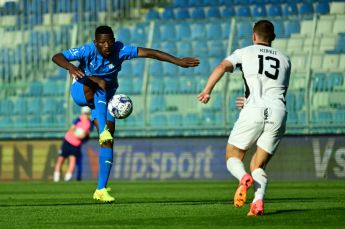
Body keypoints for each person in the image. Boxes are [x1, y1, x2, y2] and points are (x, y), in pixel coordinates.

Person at [52, 25, 200, 203]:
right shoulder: (87, 50)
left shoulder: (121, 50)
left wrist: (178, 61)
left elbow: (150, 53)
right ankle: (102, 130)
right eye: (102, 42)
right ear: (95, 43)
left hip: (104, 100)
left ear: (114, 41)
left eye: (110, 41)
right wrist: (69, 67)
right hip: (82, 90)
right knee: (99, 82)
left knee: (108, 141)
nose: (107, 45)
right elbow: (57, 56)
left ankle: (100, 189)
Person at [198, 20, 291, 216]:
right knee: (258, 164)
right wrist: (250, 99)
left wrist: (207, 90)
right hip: (278, 111)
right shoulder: (285, 59)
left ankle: (243, 178)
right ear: (272, 38)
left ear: (254, 36)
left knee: (233, 154)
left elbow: (222, 66)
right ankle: (257, 202)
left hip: (253, 110)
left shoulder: (244, 52)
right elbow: (279, 90)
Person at [53, 106, 93, 182]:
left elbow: (85, 135)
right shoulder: (78, 119)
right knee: (60, 159)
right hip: (67, 141)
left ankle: (67, 179)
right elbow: (72, 129)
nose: (85, 115)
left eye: (87, 114)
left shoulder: (89, 124)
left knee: (72, 160)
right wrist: (76, 133)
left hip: (76, 144)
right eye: (85, 113)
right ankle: (56, 178)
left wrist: (80, 135)